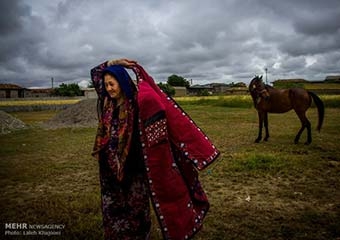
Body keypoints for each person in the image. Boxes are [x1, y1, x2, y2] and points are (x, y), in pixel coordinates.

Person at [91, 58, 219, 240]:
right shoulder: (107, 102)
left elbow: (154, 101)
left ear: (122, 82)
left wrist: (137, 73)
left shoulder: (136, 104)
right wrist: (114, 62)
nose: (109, 88)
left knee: (136, 209)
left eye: (112, 84)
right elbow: (96, 73)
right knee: (112, 207)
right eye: (106, 85)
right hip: (109, 170)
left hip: (133, 167)